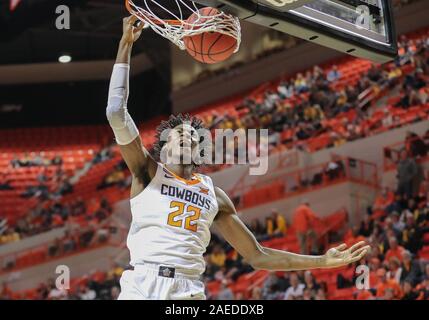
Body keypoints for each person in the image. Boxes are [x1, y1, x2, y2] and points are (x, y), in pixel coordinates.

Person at [107, 16, 370, 300]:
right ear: (164, 145)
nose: (187, 136)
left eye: (193, 136)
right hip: (142, 285)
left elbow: (258, 256)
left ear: (200, 149)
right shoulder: (147, 172)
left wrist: (321, 261)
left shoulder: (214, 195)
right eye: (178, 133)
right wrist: (125, 45)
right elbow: (115, 113)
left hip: (187, 290)